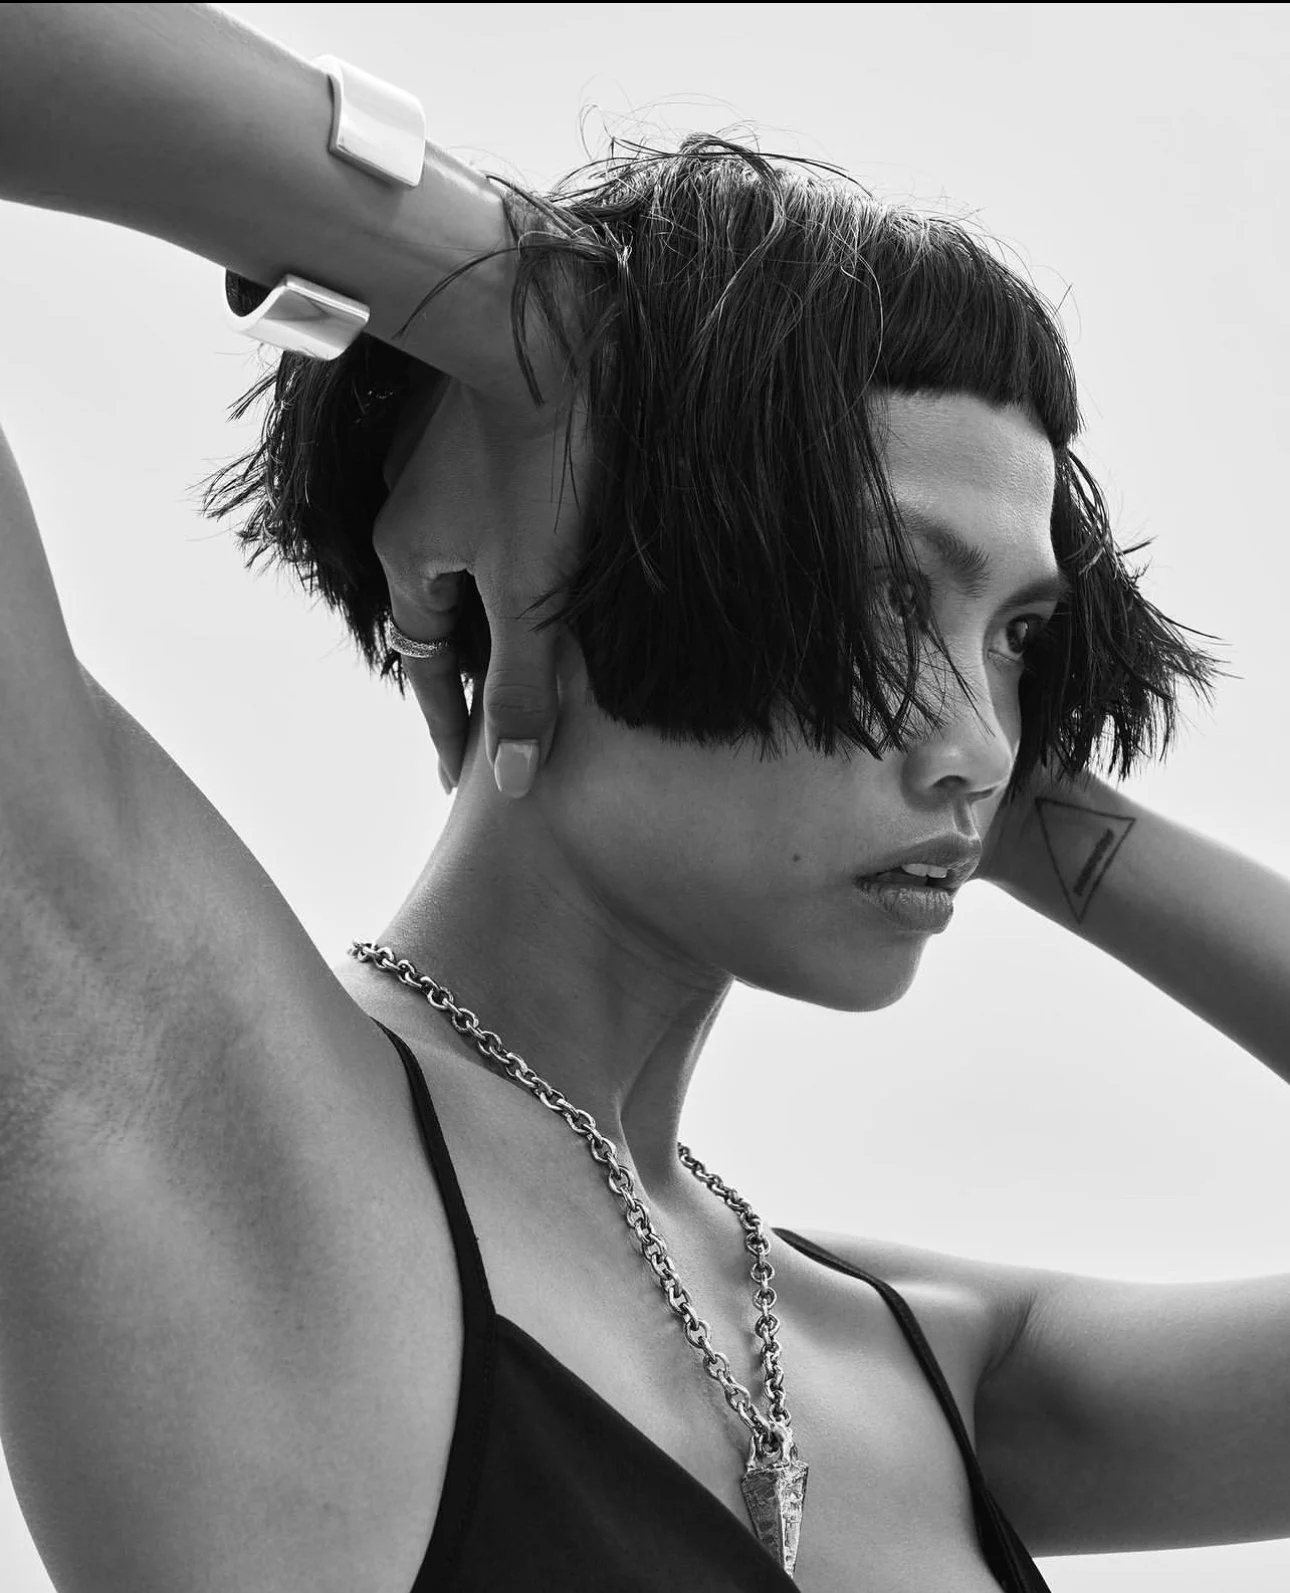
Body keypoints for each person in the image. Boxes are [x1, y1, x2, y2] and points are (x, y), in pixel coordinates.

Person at [1, 7, 1288, 1593]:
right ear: (536, 560)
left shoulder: (927, 1368)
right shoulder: (194, 1104)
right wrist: (515, 312)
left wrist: (1048, 823)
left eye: (1019, 635)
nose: (976, 737)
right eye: (886, 593)